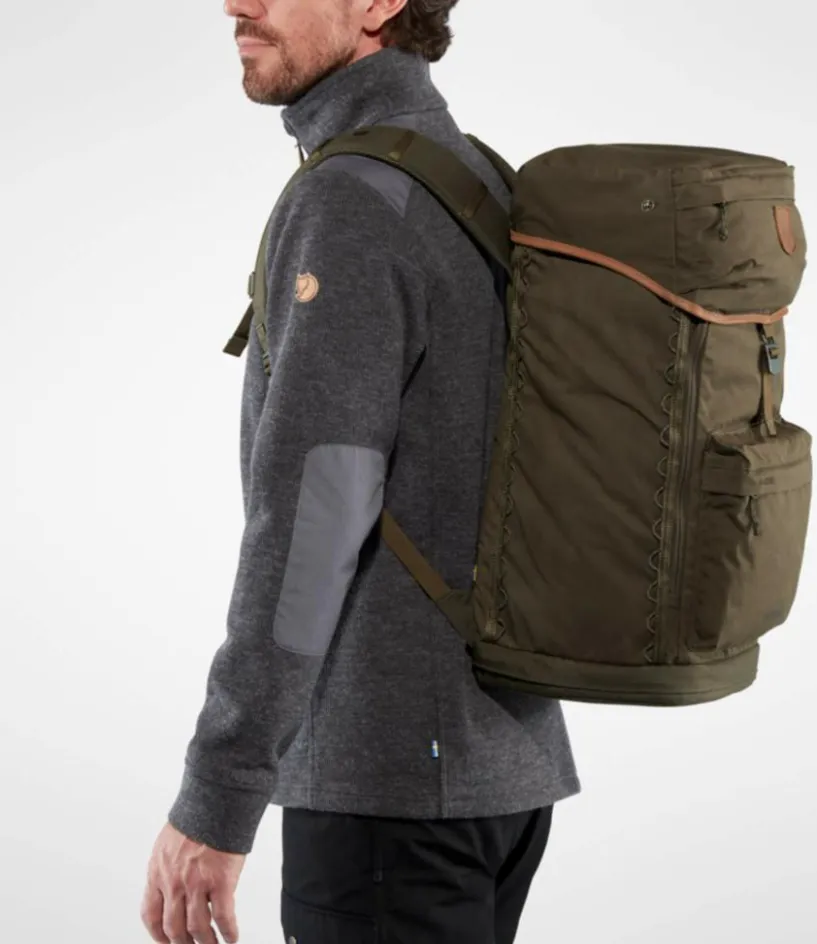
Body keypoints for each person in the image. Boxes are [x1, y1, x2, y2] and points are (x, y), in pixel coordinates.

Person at [141, 2, 580, 942]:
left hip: (389, 794)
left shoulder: (350, 198)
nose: (237, 3)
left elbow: (315, 520)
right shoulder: (469, 173)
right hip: (500, 764)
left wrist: (219, 793)